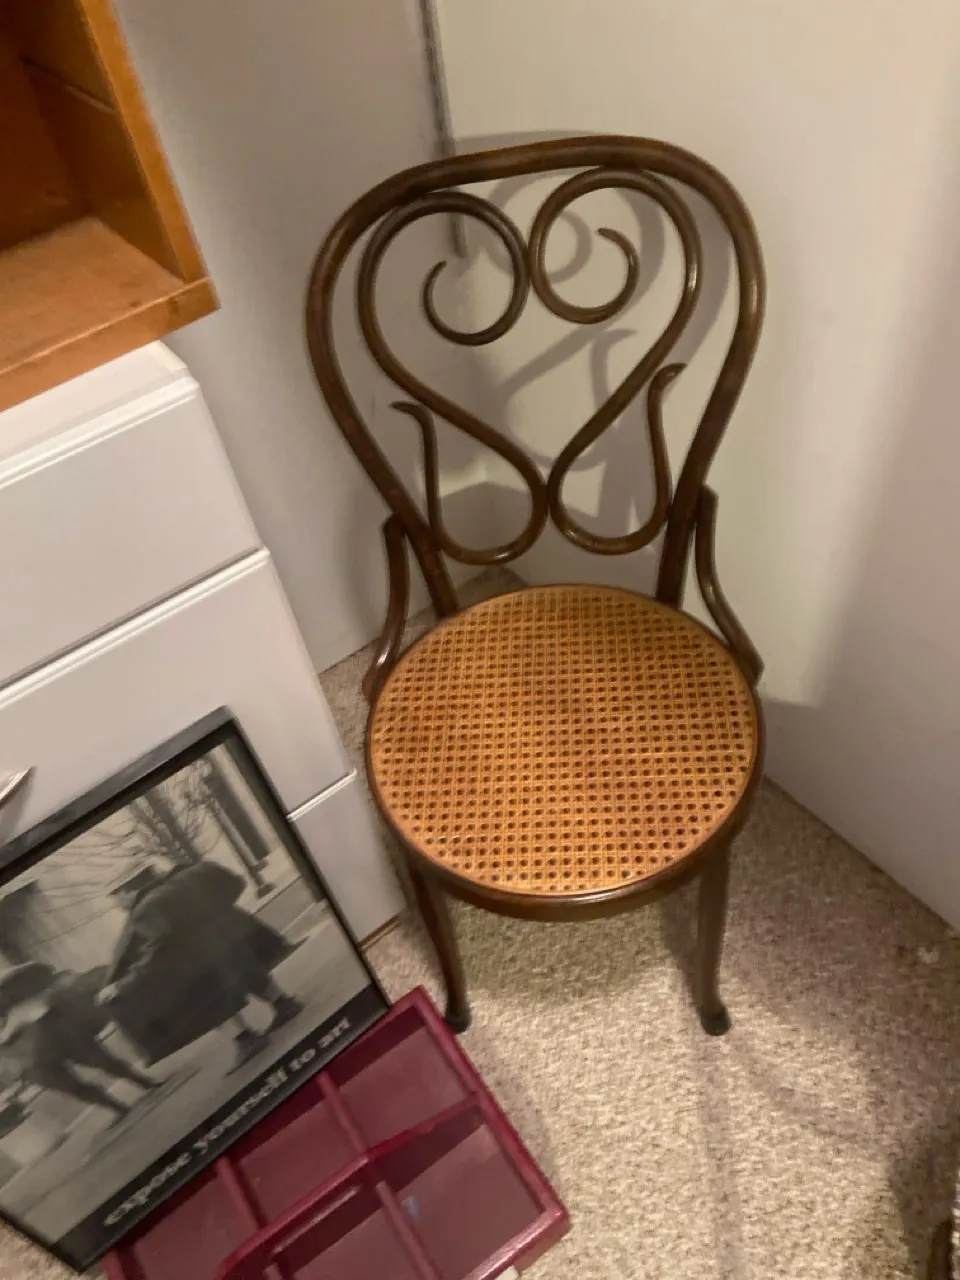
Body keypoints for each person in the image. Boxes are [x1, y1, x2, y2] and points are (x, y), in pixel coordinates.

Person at [99, 860, 304, 1069]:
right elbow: (235, 884)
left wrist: (122, 985)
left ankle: (246, 1039)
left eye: (115, 897)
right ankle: (284, 1004)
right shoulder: (187, 876)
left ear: (126, 890)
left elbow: (155, 952)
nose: (117, 905)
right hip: (229, 940)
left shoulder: (146, 909)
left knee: (206, 1001)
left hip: (197, 963)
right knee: (250, 975)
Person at [0, 962, 161, 1123]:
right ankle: (116, 1106)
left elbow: (43, 1001)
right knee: (71, 1086)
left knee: (103, 1061)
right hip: (31, 1058)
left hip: (58, 1034)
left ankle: (143, 1082)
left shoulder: (22, 995)